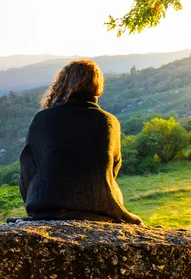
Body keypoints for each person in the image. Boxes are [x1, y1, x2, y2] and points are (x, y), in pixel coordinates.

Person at [18, 59, 142, 224]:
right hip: (101, 210)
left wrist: (39, 201)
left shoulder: (42, 119)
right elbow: (113, 169)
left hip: (46, 210)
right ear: (97, 86)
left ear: (63, 83)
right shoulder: (110, 122)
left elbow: (27, 168)